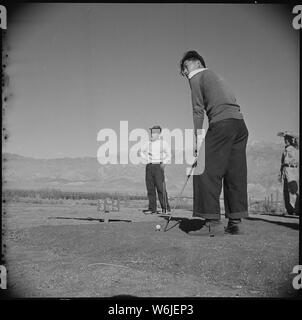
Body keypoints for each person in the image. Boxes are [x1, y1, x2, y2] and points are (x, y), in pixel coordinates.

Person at [179, 50, 249, 236]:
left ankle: (212, 222)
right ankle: (236, 222)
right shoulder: (217, 76)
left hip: (222, 123)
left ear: (193, 64)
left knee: (203, 169)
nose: (185, 73)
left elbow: (197, 110)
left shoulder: (196, 77)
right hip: (240, 126)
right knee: (234, 173)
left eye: (184, 69)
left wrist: (196, 139)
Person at [140, 125, 171, 214]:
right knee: (150, 189)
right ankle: (152, 209)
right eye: (151, 132)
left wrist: (164, 162)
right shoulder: (147, 143)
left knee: (161, 188)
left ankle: (165, 208)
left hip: (158, 166)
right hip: (149, 167)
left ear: (158, 134)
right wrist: (146, 159)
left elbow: (169, 154)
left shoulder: (163, 143)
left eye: (153, 133)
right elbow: (141, 151)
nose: (152, 134)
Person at [278, 132, 299, 215]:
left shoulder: (295, 148)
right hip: (285, 170)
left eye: (287, 139)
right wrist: (280, 174)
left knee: (294, 190)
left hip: (293, 170)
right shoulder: (285, 150)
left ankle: (297, 209)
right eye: (285, 139)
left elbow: (297, 138)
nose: (285, 140)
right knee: (285, 191)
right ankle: (289, 210)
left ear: (290, 140)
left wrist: (288, 133)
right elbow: (282, 163)